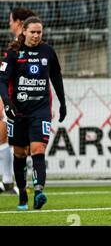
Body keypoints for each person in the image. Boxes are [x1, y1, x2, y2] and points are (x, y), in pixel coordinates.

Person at [0, 16, 67, 210]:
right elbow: (2, 81)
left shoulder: (48, 51)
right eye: (33, 32)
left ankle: (39, 191)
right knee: (20, 154)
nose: (36, 35)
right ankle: (22, 193)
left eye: (39, 32)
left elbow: (56, 77)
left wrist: (62, 103)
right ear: (24, 32)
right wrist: (7, 103)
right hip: (18, 111)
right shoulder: (13, 52)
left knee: (38, 150)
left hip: (41, 109)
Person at [0, 7, 36, 195]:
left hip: (26, 102)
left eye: (11, 21)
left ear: (20, 23)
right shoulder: (14, 46)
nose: (9, 24)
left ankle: (24, 182)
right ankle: (8, 181)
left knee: (26, 144)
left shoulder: (30, 46)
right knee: (6, 137)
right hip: (13, 100)